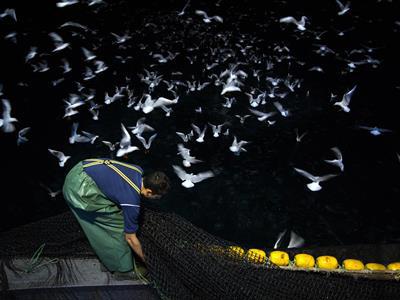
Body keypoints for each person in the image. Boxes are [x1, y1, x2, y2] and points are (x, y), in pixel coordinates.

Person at [62, 158, 170, 277]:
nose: (155, 199)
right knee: (118, 225)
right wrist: (146, 261)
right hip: (77, 188)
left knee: (112, 216)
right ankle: (122, 270)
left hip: (80, 168)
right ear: (149, 192)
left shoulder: (137, 169)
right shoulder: (131, 202)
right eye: (156, 197)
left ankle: (109, 258)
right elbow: (130, 238)